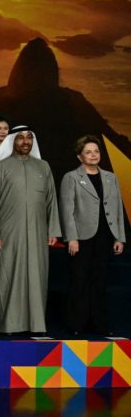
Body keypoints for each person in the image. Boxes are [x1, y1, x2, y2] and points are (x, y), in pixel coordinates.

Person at [0, 127, 60, 335]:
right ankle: (9, 324)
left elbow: (51, 201)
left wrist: (52, 230)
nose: (25, 141)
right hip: (8, 233)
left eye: (29, 138)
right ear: (12, 141)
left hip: (38, 232)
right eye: (20, 138)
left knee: (37, 277)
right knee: (8, 275)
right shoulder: (0, 168)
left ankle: (36, 325)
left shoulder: (43, 166)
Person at [60, 135, 126, 336]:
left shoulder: (110, 177)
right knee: (79, 281)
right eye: (88, 152)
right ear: (80, 156)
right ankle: (76, 325)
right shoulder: (71, 177)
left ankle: (98, 325)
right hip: (81, 238)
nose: (93, 155)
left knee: (99, 281)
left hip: (105, 237)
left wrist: (119, 237)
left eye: (96, 151)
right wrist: (72, 237)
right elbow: (67, 210)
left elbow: (116, 209)